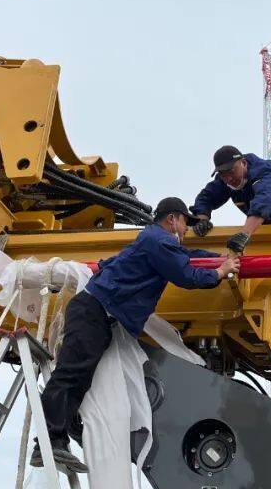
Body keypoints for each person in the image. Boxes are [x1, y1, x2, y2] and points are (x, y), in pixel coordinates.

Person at [32, 197, 239, 472]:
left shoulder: (157, 241)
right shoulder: (159, 240)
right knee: (72, 374)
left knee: (80, 377)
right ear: (173, 219)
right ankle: (46, 445)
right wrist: (221, 272)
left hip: (97, 314)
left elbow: (188, 258)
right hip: (94, 313)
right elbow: (185, 274)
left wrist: (218, 260)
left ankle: (63, 434)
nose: (187, 228)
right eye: (186, 222)